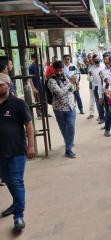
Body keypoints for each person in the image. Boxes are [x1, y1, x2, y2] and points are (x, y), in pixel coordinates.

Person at [0, 73, 35, 230]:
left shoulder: (18, 104)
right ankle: (16, 204)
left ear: (8, 85)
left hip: (17, 151)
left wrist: (31, 146)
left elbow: (28, 125)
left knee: (16, 181)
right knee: (7, 180)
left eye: (1, 84)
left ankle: (18, 216)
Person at [48, 61, 78, 158]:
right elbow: (60, 93)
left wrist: (74, 83)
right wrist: (70, 83)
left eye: (61, 70)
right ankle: (68, 142)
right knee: (64, 128)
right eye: (58, 71)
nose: (60, 72)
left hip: (71, 106)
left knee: (71, 127)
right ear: (54, 70)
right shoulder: (51, 80)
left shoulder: (65, 76)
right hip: (59, 108)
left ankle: (68, 149)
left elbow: (73, 89)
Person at [28, 54, 43, 119]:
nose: (39, 58)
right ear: (33, 59)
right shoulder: (31, 67)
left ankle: (44, 113)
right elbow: (30, 78)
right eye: (37, 57)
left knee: (43, 99)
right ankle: (39, 114)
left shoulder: (40, 66)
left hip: (42, 85)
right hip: (36, 85)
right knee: (37, 100)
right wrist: (33, 87)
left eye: (39, 57)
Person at [92, 54, 105, 124]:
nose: (97, 61)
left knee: (106, 102)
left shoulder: (104, 67)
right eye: (95, 60)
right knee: (99, 103)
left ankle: (107, 117)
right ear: (93, 61)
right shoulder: (91, 68)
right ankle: (102, 118)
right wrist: (90, 76)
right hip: (96, 87)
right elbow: (90, 79)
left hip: (104, 86)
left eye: (98, 59)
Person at [86, 53, 96, 119]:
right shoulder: (89, 67)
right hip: (91, 85)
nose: (90, 59)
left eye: (91, 57)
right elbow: (89, 78)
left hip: (99, 86)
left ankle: (101, 116)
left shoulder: (99, 65)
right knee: (92, 100)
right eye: (89, 57)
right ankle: (91, 113)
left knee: (100, 101)